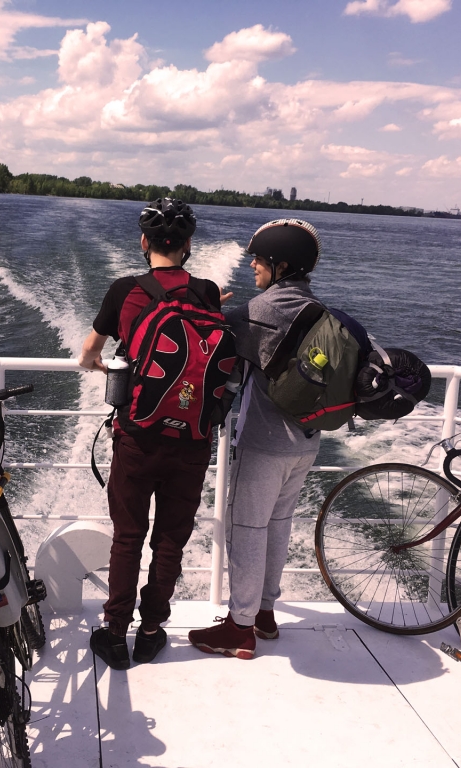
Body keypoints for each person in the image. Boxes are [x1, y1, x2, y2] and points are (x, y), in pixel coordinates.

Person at [78, 198, 228, 670]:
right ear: (187, 246)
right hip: (193, 440)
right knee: (170, 539)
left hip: (137, 435)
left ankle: (115, 631)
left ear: (144, 243)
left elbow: (88, 352)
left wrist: (103, 365)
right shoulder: (206, 290)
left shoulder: (125, 289)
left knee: (128, 536)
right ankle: (151, 630)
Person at [188, 218, 323, 660]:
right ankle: (264, 613)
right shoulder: (317, 310)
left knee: (247, 528)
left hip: (265, 442)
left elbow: (206, 333)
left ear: (281, 265)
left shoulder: (259, 311)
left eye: (259, 259)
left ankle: (239, 627)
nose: (251, 265)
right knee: (277, 526)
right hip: (306, 442)